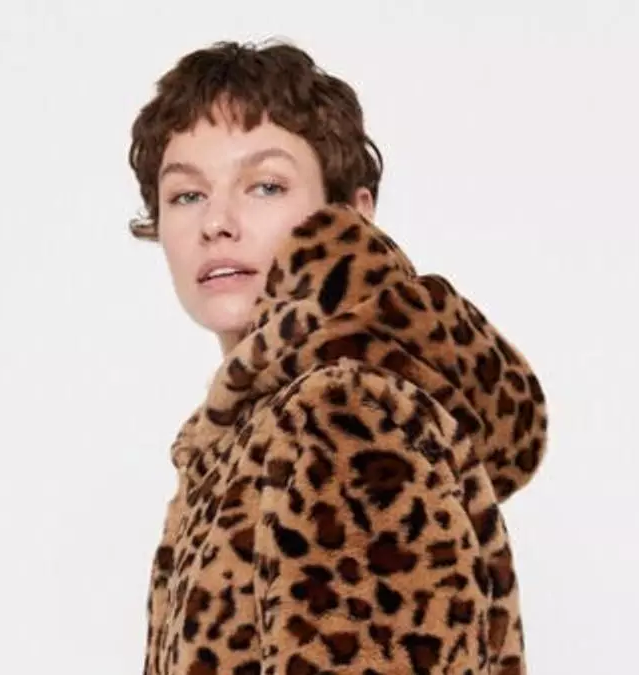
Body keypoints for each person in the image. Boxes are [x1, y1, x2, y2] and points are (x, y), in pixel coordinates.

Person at [127, 39, 549, 674]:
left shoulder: (344, 413)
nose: (217, 221)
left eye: (265, 186)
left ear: (354, 214)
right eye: (187, 195)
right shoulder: (252, 434)